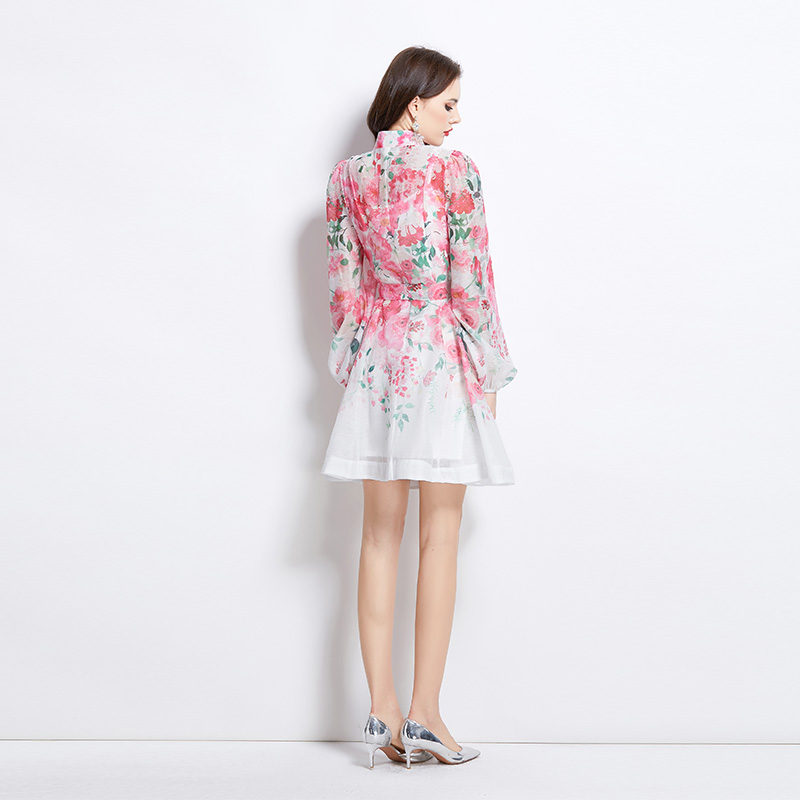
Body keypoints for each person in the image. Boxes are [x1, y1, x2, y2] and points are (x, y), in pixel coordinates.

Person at [321, 46, 517, 768]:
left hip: (377, 368)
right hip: (441, 363)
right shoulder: (453, 171)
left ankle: (381, 711)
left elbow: (343, 294)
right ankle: (426, 715)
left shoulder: (346, 179)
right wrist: (489, 368)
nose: (456, 119)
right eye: (449, 104)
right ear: (415, 104)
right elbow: (473, 281)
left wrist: (357, 366)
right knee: (440, 534)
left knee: (377, 538)